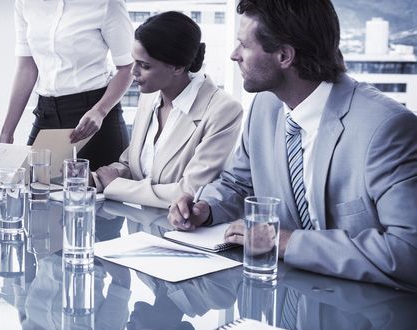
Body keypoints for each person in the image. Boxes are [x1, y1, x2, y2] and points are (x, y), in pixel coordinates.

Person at [168, 0, 417, 291]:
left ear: (284, 55)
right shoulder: (264, 107)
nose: (234, 55)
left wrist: (286, 241)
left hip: (369, 316)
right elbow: (239, 183)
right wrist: (205, 208)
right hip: (284, 297)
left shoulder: (386, 128)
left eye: (244, 46)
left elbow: (409, 250)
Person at [93, 11, 243, 208]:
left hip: (182, 232)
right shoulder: (149, 97)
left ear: (177, 67)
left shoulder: (223, 111)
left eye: (144, 65)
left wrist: (115, 186)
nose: (133, 72)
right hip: (139, 229)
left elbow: (189, 191)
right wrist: (92, 180)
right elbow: (132, 165)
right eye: (134, 61)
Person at [0, 0, 134, 171]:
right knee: (31, 186)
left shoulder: (107, 3)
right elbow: (27, 67)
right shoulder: (25, 3)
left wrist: (100, 110)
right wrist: (7, 132)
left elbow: (128, 67)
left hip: (94, 116)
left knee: (98, 192)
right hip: (46, 113)